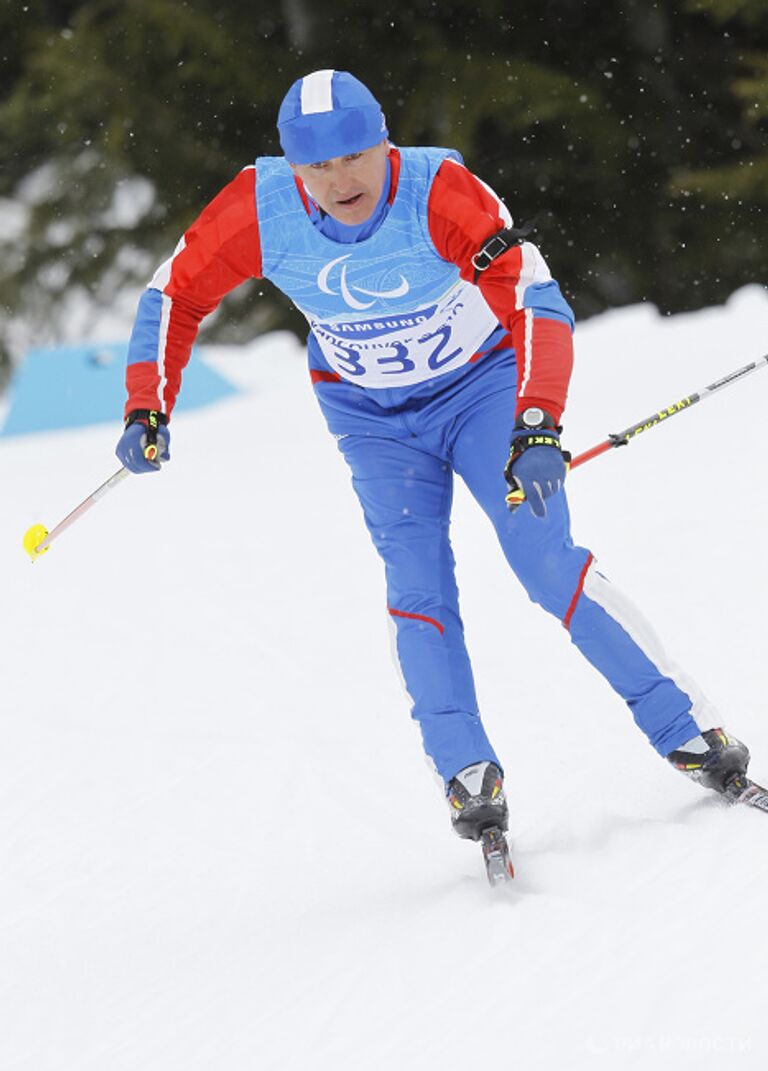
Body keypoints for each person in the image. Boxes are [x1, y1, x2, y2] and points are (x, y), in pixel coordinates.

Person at [116, 69, 754, 857]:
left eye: (355, 156)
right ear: (290, 166)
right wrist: (147, 403)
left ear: (384, 143)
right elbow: (173, 296)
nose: (339, 180)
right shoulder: (260, 205)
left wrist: (536, 424)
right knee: (417, 587)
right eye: (317, 166)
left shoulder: (441, 192)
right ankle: (467, 772)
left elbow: (534, 298)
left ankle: (686, 729)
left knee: (545, 564)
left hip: (481, 393)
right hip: (371, 419)